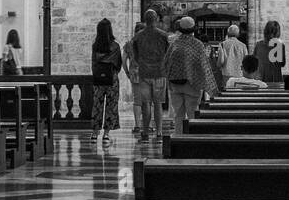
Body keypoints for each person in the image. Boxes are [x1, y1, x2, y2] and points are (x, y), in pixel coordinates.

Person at [162, 16, 218, 133]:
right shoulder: (197, 44)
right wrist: (211, 88)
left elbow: (166, 63)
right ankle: (191, 140)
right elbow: (204, 66)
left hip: (175, 84)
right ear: (194, 29)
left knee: (178, 115)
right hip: (192, 84)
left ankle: (178, 139)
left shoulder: (174, 44)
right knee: (192, 114)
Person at [125, 9, 169, 139]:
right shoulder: (163, 35)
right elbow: (168, 54)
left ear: (145, 20)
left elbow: (135, 56)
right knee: (158, 103)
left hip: (144, 73)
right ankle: (159, 131)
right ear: (156, 20)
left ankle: (145, 131)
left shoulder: (138, 36)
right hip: (159, 73)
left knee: (146, 103)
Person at [90, 18, 123, 144]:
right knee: (111, 105)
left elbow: (93, 62)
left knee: (97, 105)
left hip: (98, 78)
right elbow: (118, 64)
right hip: (112, 78)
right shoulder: (115, 46)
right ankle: (106, 134)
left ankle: (94, 133)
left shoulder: (95, 46)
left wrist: (97, 74)